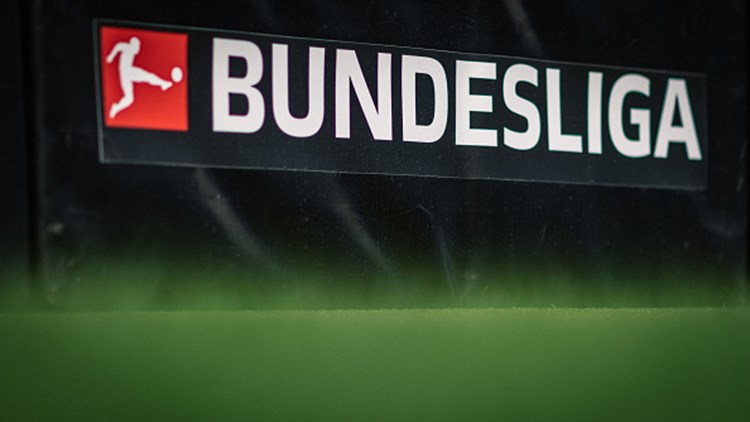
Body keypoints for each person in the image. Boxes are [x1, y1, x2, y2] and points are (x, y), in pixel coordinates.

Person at [106, 37, 173, 118]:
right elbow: (119, 46)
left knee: (129, 98)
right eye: (138, 45)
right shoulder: (128, 47)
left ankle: (116, 108)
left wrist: (112, 56)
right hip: (128, 71)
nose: (138, 48)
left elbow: (119, 46)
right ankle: (163, 83)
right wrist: (111, 56)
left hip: (124, 74)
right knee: (148, 77)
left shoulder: (130, 50)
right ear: (133, 44)